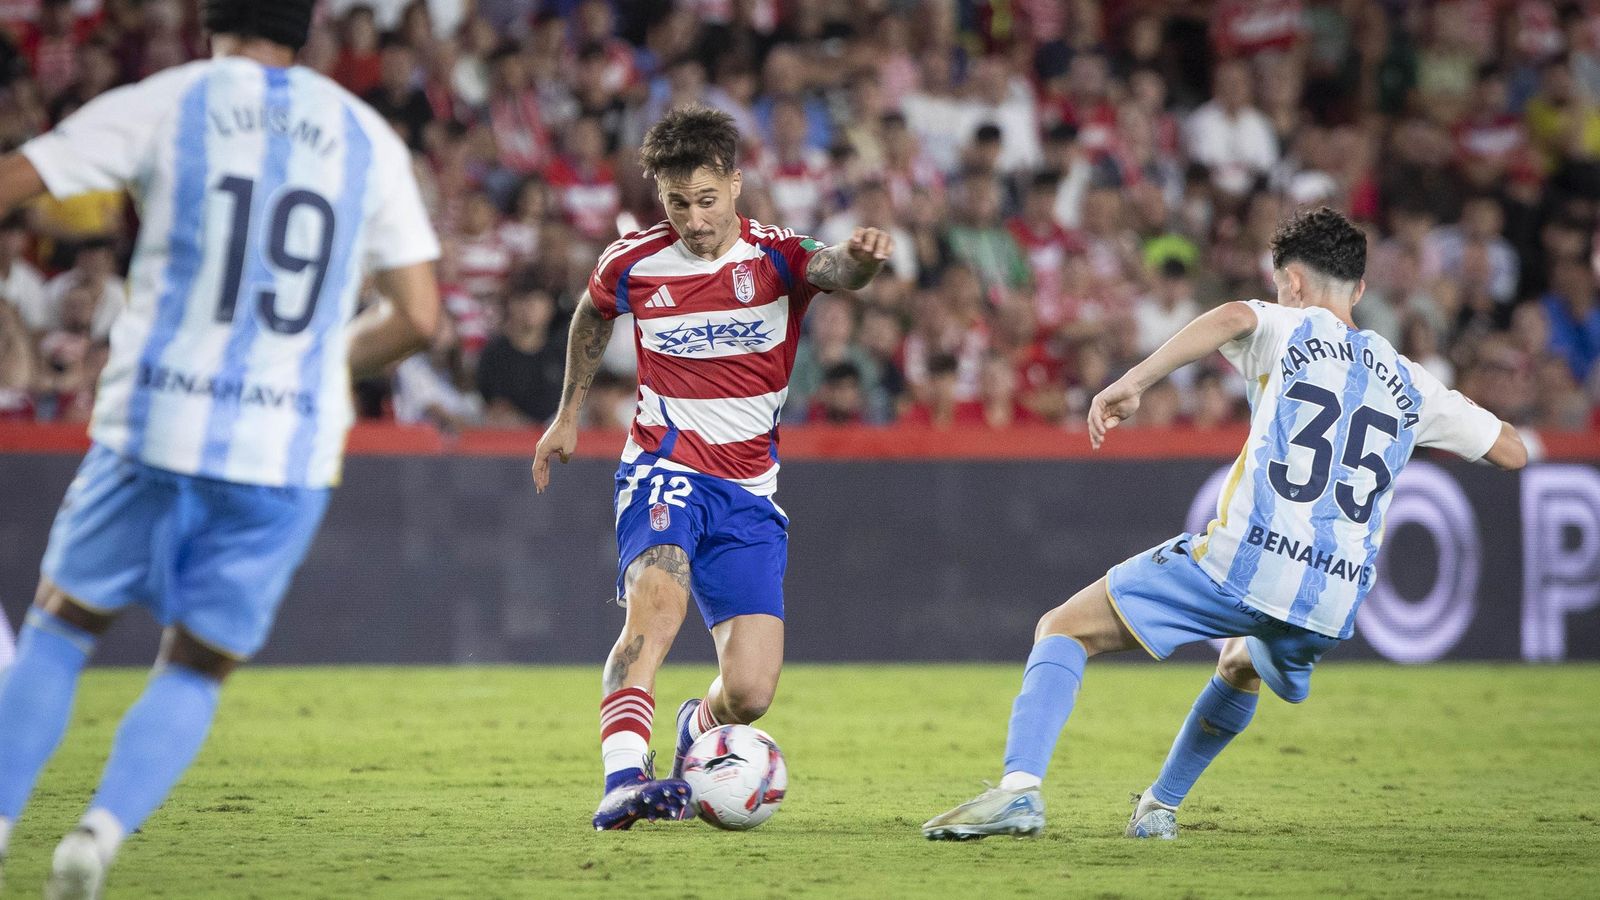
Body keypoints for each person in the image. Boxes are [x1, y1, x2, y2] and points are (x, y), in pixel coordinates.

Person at [0, 2, 441, 894]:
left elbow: (17, 178)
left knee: (59, 628)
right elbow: (422, 316)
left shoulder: (173, 99)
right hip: (285, 448)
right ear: (305, 32)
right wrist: (317, 361)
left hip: (156, 421)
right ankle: (99, 831)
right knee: (197, 667)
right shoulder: (366, 137)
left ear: (212, 21)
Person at [922, 207, 1527, 841]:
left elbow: (1234, 316)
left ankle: (1020, 791)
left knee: (1063, 629)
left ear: (1291, 283)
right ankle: (1158, 809)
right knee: (1240, 663)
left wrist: (1131, 383)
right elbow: (1510, 450)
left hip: (1247, 560)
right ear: (1361, 290)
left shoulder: (1287, 326)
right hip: (1333, 597)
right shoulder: (1411, 381)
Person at [530, 105, 892, 830]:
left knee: (751, 693)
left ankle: (695, 731)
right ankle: (622, 781)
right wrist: (568, 413)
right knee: (655, 609)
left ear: (734, 183)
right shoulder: (632, 260)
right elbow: (593, 314)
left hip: (750, 491)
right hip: (664, 467)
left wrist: (861, 260)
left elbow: (835, 268)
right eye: (675, 203)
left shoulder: (776, 256)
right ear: (658, 198)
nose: (693, 220)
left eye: (705, 200)